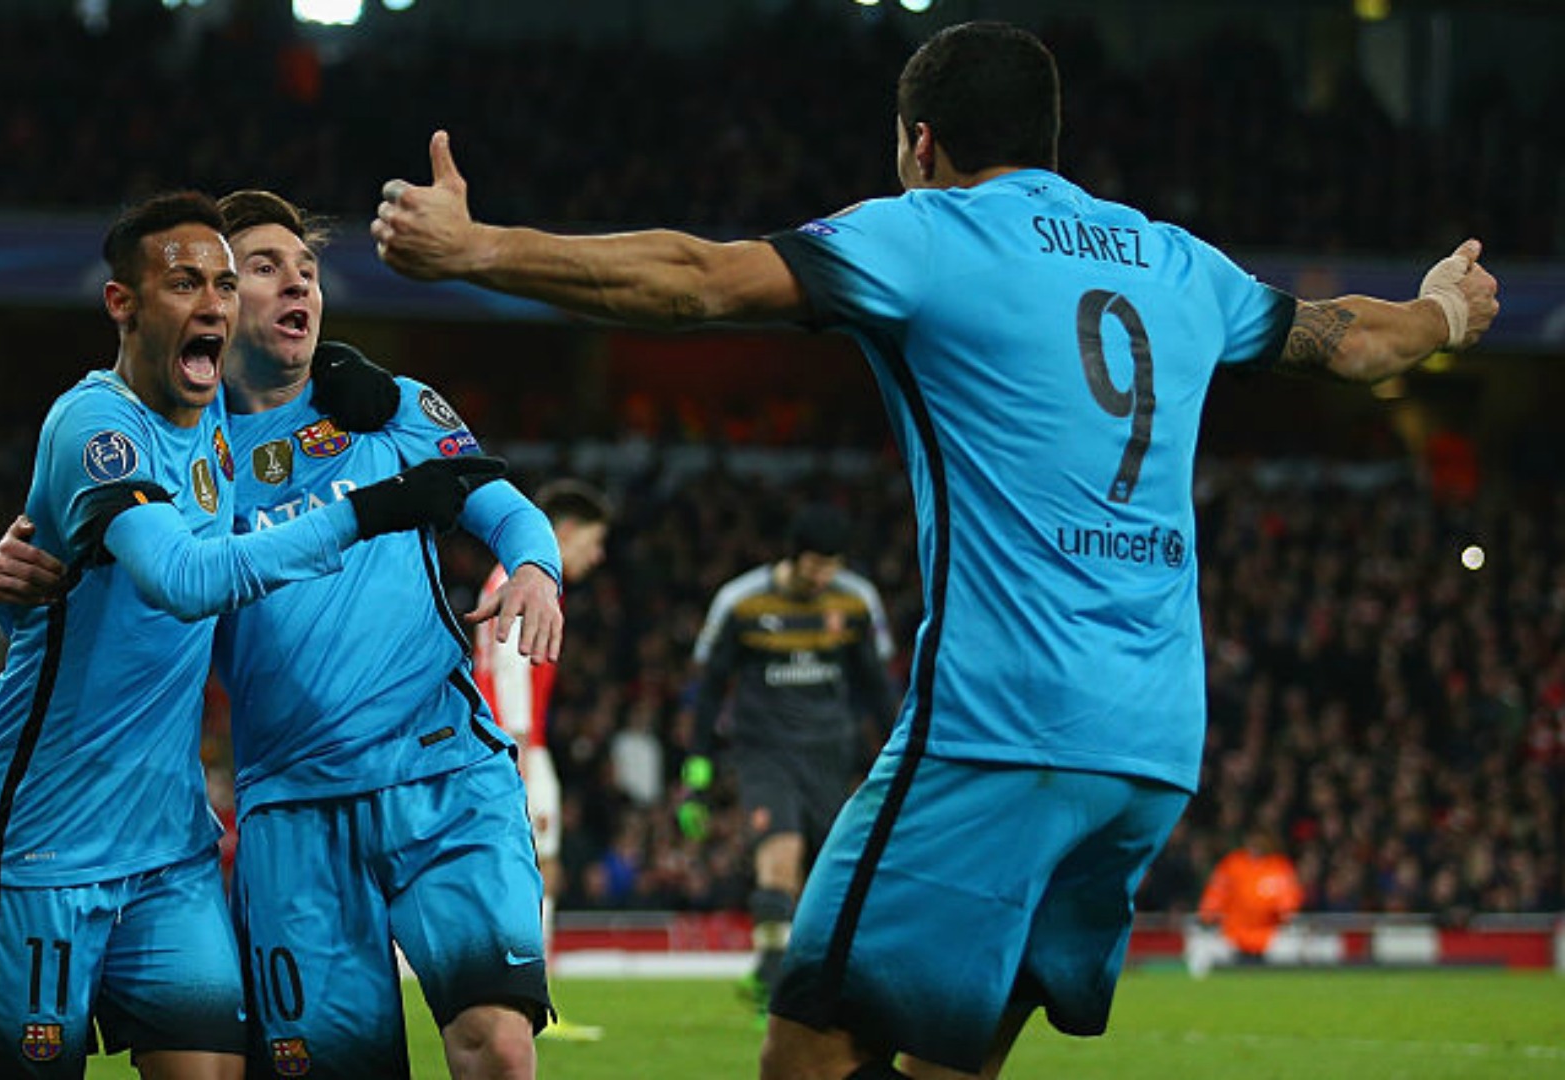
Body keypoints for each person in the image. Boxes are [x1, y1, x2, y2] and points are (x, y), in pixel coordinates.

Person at [369, 21, 1500, 1080]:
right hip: (1153, 747)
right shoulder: (1175, 261)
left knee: (808, 1049)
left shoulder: (933, 231)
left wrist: (479, 249)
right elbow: (1353, 340)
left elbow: (699, 280)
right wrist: (1444, 311)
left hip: (1002, 728)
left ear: (921, 143)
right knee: (948, 1058)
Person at [0, 188, 559, 1080]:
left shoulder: (388, 407)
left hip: (441, 771)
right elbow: (98, 557)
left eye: (307, 269)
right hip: (292, 807)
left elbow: (503, 504)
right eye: (261, 268)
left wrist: (535, 568)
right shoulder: (179, 441)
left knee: (497, 1045)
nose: (296, 283)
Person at [684, 506, 894, 1022]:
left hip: (830, 754)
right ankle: (774, 980)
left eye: (832, 566)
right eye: (815, 565)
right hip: (764, 752)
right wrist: (697, 768)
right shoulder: (741, 602)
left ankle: (797, 972)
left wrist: (897, 750)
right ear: (794, 556)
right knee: (780, 855)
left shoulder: (856, 600)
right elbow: (709, 691)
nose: (823, 577)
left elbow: (876, 686)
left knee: (827, 871)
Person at [471, 477, 614, 1042]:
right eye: (593, 542)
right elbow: (511, 669)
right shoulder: (524, 582)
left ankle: (527, 997)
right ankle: (527, 1001)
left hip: (512, 742)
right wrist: (521, 754)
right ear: (567, 530)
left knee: (532, 870)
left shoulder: (506, 577)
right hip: (515, 744)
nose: (596, 556)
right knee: (532, 870)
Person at [1190, 828, 1304, 975]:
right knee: (1200, 945)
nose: (1256, 843)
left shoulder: (1279, 866)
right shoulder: (1233, 863)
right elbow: (1214, 895)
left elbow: (1290, 904)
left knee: (1291, 947)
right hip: (1232, 934)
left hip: (1267, 935)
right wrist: (1208, 915)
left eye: (1261, 839)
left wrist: (1286, 912)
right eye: (1253, 839)